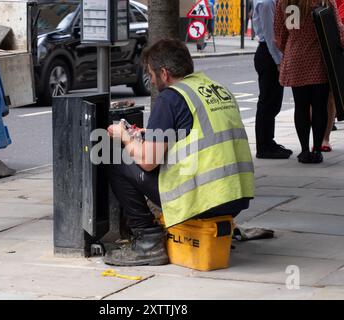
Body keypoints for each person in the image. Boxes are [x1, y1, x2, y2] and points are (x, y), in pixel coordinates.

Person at [105, 39, 254, 266]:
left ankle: (148, 242)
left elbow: (147, 162)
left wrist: (124, 137)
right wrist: (149, 133)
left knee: (118, 163)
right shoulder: (215, 89)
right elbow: (199, 133)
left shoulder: (170, 98)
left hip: (205, 199)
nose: (151, 81)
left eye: (151, 74)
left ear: (164, 73)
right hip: (234, 197)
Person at [274, 0, 344, 163]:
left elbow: (279, 33)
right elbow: (337, 28)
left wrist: (290, 47)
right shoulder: (324, 0)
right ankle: (317, 149)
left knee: (301, 106)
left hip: (295, 57)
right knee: (320, 106)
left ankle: (304, 150)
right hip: (319, 58)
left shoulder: (284, 2)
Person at [252, 0, 293, 159]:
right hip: (268, 54)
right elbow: (270, 35)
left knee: (273, 102)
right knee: (268, 102)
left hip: (269, 53)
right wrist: (278, 60)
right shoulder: (267, 3)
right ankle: (264, 146)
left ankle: (269, 141)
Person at [322, 0, 344, 152]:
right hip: (326, 45)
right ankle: (323, 137)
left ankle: (325, 137)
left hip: (334, 45)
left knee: (331, 94)